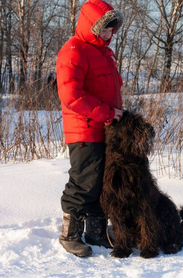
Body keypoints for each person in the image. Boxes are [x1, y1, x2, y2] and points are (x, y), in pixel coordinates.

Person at [56, 0, 123, 257]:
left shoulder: (103, 53)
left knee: (101, 183)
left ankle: (95, 232)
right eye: (105, 29)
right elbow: (71, 95)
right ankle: (70, 234)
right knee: (84, 182)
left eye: (112, 31)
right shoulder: (74, 50)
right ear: (91, 25)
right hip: (84, 130)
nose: (109, 35)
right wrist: (108, 113)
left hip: (105, 129)